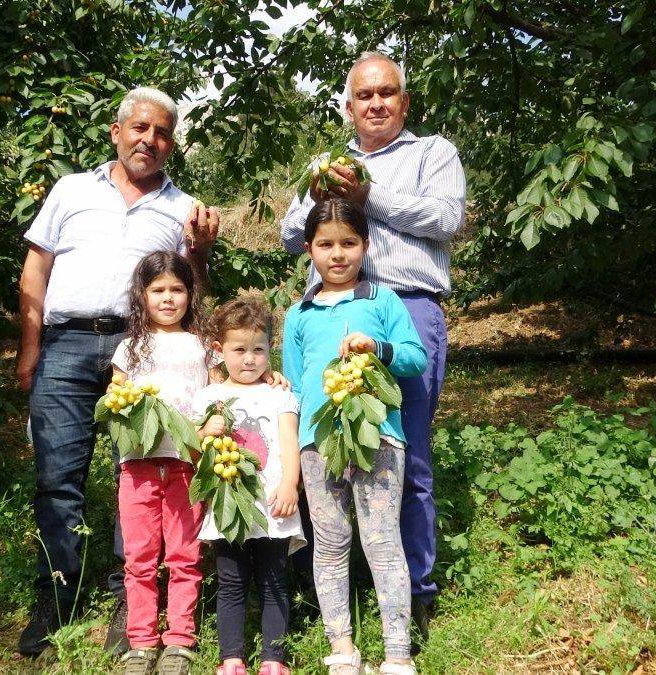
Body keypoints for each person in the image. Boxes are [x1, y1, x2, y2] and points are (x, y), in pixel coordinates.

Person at [17, 86, 220, 658]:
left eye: (162, 134)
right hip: (66, 345)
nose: (149, 141)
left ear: (172, 144)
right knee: (58, 478)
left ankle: (128, 603)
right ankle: (55, 600)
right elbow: (35, 270)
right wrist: (29, 348)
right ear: (116, 131)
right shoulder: (71, 190)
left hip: (144, 351)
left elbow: (190, 291)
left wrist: (201, 251)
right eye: (140, 128)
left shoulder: (185, 208)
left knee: (140, 473)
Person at [280, 51, 466, 643]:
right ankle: (333, 584)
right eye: (364, 95)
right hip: (329, 315)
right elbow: (289, 236)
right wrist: (322, 197)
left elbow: (447, 219)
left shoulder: (432, 152)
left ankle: (414, 591)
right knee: (320, 446)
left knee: (404, 453)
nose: (376, 103)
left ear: (404, 102)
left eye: (387, 93)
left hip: (405, 308)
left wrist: (369, 195)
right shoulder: (326, 165)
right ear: (349, 106)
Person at [282, 198, 426, 675]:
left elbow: (415, 358)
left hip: (378, 438)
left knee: (382, 540)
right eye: (325, 244)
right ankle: (341, 647)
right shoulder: (298, 314)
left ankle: (398, 651)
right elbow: (293, 386)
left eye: (348, 243)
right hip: (317, 443)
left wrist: (377, 347)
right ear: (309, 249)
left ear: (365, 245)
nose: (337, 254)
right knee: (329, 541)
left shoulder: (383, 301)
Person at [110, 251, 216, 675]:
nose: (168, 298)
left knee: (184, 556)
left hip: (186, 465)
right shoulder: (129, 346)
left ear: (191, 295)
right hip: (137, 466)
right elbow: (116, 396)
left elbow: (223, 390)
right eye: (158, 290)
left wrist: (268, 378)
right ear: (142, 295)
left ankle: (180, 640)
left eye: (177, 289)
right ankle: (141, 642)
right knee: (138, 557)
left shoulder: (202, 345)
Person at [194, 296, 305, 675]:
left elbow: (289, 441)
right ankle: (231, 658)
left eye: (258, 350)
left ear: (270, 348)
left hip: (274, 503)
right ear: (219, 349)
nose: (249, 359)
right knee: (231, 581)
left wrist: (290, 484)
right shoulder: (209, 397)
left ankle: (274, 658)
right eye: (239, 350)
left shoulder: (279, 394)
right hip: (229, 505)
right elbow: (193, 453)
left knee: (274, 581)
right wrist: (203, 432)